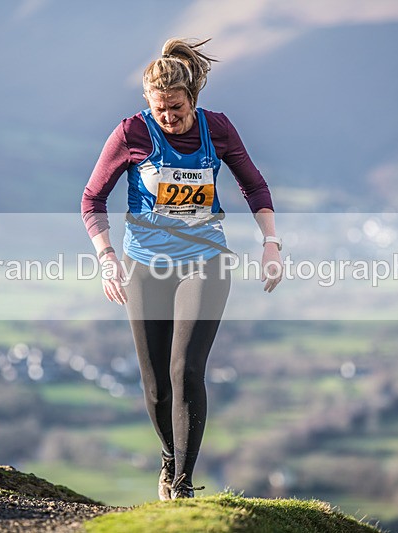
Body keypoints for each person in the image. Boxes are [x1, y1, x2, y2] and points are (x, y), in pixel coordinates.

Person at [81, 38, 283, 500]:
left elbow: (255, 185)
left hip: (205, 261)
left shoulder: (219, 130)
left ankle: (183, 485)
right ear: (147, 104)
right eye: (159, 109)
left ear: (193, 98)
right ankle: (168, 457)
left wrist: (271, 244)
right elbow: (92, 199)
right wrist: (107, 258)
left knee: (186, 370)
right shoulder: (132, 133)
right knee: (155, 386)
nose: (168, 117)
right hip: (145, 266)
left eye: (176, 107)